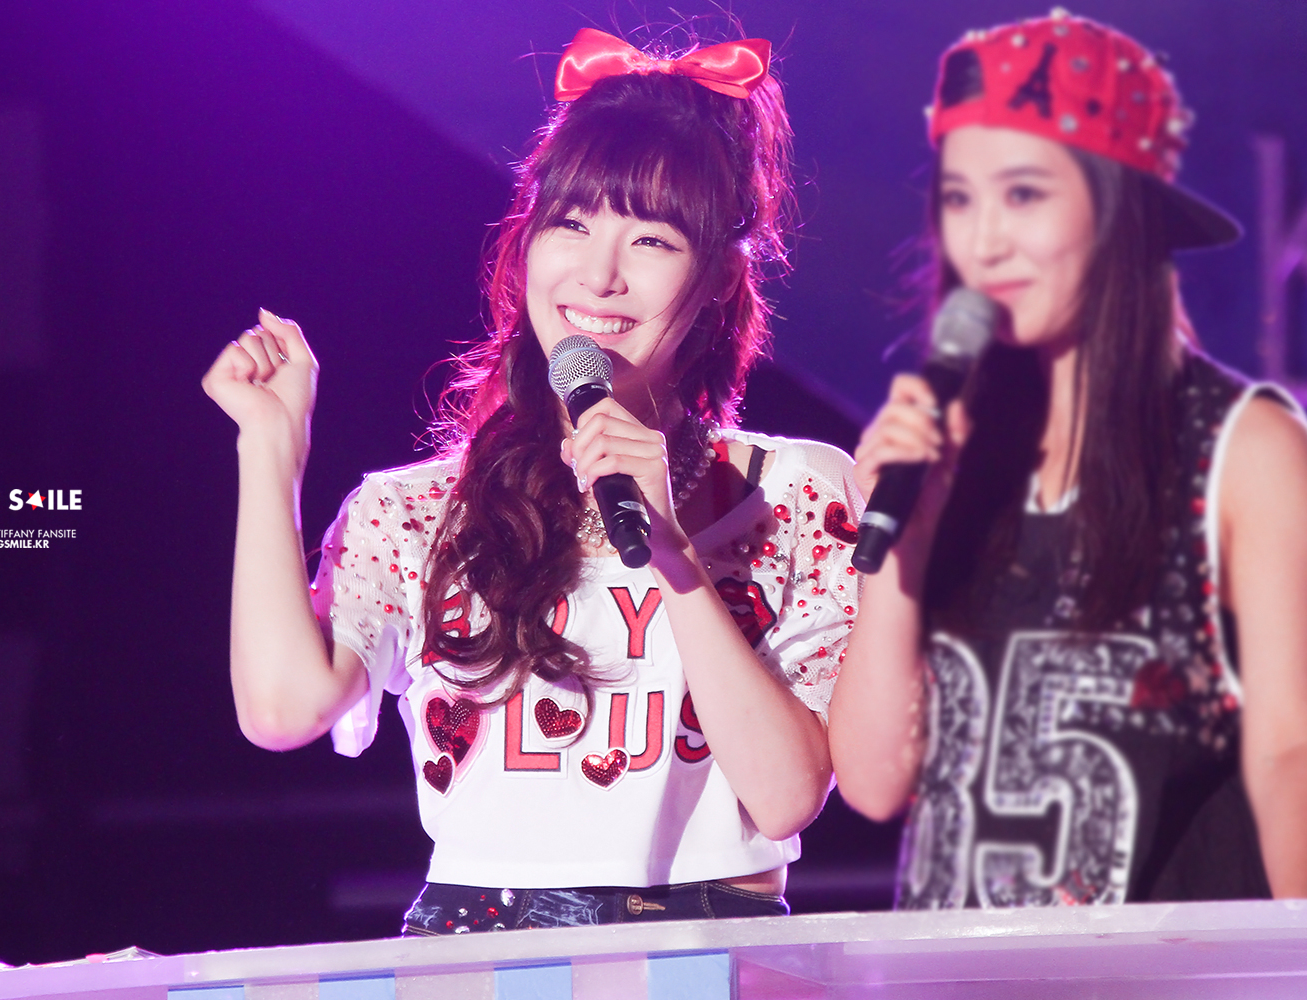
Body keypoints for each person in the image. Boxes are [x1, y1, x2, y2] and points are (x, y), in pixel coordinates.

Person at [202, 27, 862, 933]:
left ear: (717, 277)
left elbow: (785, 796)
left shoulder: (793, 494)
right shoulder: (415, 510)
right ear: (527, 242)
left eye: (652, 239)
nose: (599, 275)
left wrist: (673, 554)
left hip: (697, 942)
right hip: (471, 946)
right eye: (573, 224)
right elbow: (281, 711)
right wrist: (269, 450)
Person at [829, 9, 1307, 907]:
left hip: (1166, 965)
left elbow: (1292, 750)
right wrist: (902, 553)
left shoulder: (1243, 445)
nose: (984, 241)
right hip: (957, 968)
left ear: (1120, 208)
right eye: (960, 199)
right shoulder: (956, 447)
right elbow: (875, 785)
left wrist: (1294, 964)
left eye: (1024, 194)